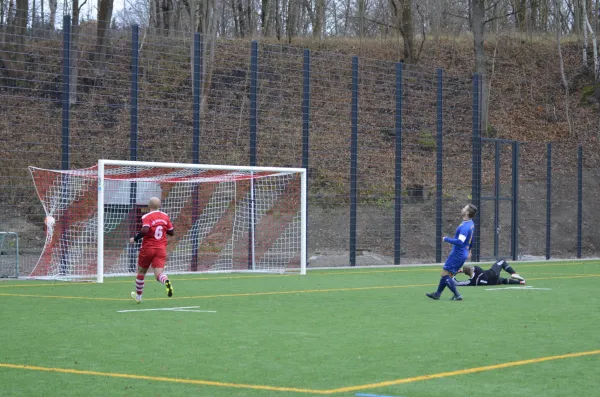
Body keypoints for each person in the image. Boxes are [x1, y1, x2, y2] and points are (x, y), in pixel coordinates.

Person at [426, 204, 477, 301]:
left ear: (467, 212)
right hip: (462, 253)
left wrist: (446, 239)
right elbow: (471, 238)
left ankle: (457, 295)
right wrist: (469, 249)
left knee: (444, 275)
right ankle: (437, 294)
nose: (462, 208)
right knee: (447, 275)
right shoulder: (470, 223)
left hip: (457, 254)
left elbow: (459, 241)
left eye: (464, 208)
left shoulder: (465, 227)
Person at [129, 197, 174, 303]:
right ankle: (166, 280)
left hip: (148, 248)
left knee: (141, 272)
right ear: (160, 206)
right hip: (161, 249)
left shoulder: (147, 216)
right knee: (159, 274)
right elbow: (171, 232)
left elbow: (145, 230)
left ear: (149, 206)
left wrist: (134, 239)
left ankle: (139, 297)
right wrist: (162, 227)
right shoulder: (165, 216)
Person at [454, 259, 525, 286]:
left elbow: (457, 283)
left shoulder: (473, 282)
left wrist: (453, 276)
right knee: (502, 261)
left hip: (492, 282)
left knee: (503, 280)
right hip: (493, 273)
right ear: (472, 270)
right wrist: (461, 271)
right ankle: (514, 274)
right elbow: (470, 268)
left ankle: (520, 282)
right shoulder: (477, 269)